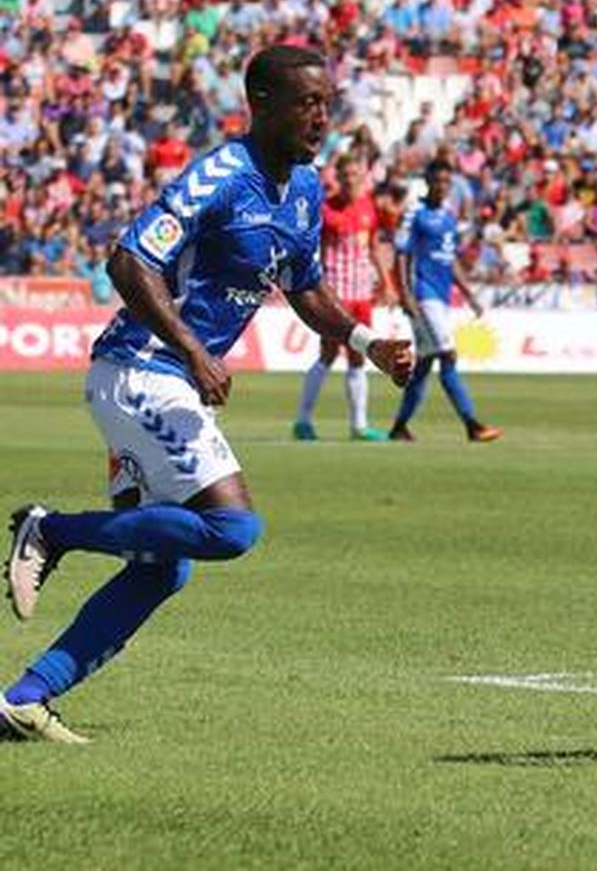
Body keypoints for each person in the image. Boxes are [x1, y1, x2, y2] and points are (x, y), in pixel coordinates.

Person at [1, 46, 415, 743]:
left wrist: (368, 344)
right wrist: (194, 352)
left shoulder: (307, 187)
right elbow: (128, 259)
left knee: (162, 570)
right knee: (234, 529)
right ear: (261, 103)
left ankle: (24, 698)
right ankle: (51, 530)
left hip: (160, 380)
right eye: (306, 103)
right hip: (141, 373)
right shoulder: (219, 177)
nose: (321, 117)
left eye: (326, 101)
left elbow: (305, 286)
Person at [388, 159, 501, 443]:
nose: (441, 187)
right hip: (422, 294)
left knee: (425, 364)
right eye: (437, 181)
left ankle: (399, 427)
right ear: (427, 181)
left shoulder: (449, 217)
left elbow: (450, 262)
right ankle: (472, 424)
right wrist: (406, 294)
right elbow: (401, 254)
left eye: (446, 182)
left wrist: (469, 294)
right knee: (448, 355)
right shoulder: (415, 213)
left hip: (441, 295)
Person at [292, 151, 391, 442]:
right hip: (335, 294)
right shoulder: (326, 209)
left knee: (360, 357)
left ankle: (359, 426)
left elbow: (372, 246)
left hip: (362, 293)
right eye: (345, 175)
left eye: (354, 175)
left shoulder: (368, 207)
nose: (349, 180)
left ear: (362, 177)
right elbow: (309, 246)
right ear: (338, 178)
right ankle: (303, 420)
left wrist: (386, 282)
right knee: (328, 354)